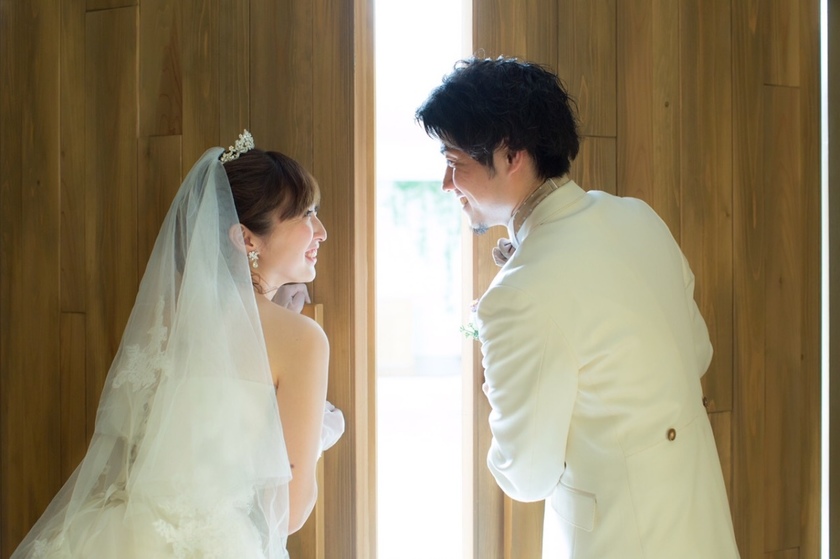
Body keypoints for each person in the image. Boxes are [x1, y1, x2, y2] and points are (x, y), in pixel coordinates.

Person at [415, 57, 740, 558]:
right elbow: (695, 352)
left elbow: (525, 475)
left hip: (618, 538)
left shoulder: (518, 294)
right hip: (700, 521)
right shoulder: (637, 217)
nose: (445, 183)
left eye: (454, 162)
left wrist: (498, 381)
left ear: (511, 154)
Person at [11, 131, 343, 559]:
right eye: (305, 214)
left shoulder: (170, 321)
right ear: (246, 239)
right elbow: (291, 512)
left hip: (120, 534)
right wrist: (319, 435)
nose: (322, 231)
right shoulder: (302, 341)